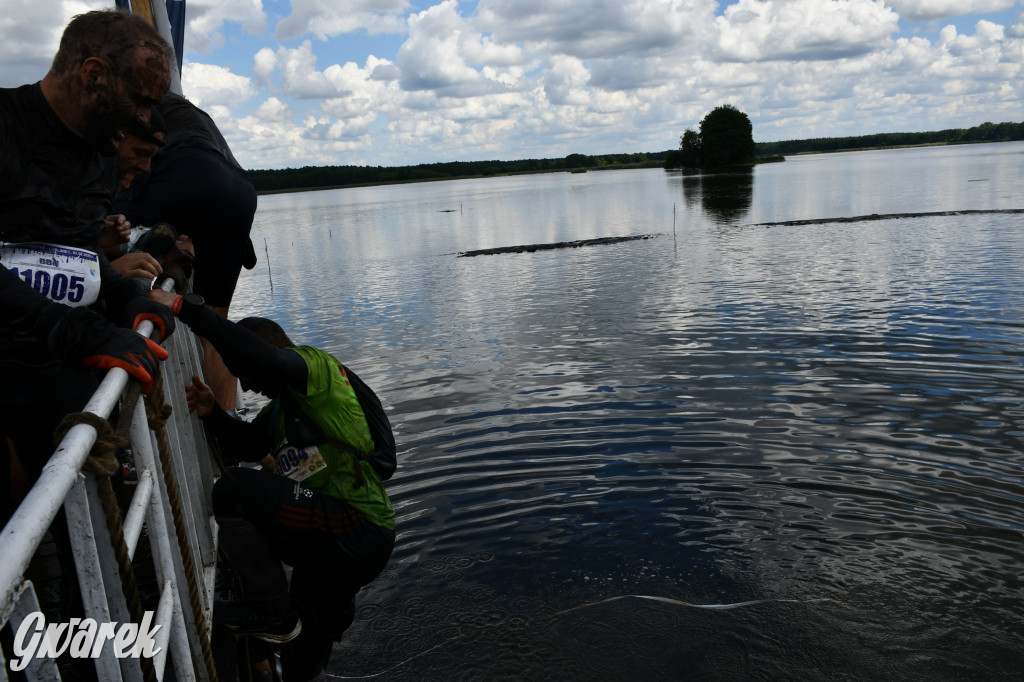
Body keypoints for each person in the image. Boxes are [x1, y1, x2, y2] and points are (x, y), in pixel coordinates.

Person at [150, 289, 395, 682]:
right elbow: (250, 444)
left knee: (232, 490)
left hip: (358, 524)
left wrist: (187, 308)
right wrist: (213, 413)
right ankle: (290, 646)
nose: (246, 385)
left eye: (244, 372)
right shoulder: (281, 410)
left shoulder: (318, 370)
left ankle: (271, 610)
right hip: (334, 535)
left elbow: (261, 359)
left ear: (264, 352)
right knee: (307, 645)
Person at [0, 9, 176, 521]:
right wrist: (80, 332)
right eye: (138, 103)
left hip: (60, 382)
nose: (145, 121)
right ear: (93, 74)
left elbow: (76, 254)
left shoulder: (101, 155)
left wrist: (131, 299)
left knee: (93, 518)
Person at [114, 91, 259, 411]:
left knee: (98, 217)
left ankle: (146, 243)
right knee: (215, 326)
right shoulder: (187, 110)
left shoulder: (124, 98)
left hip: (189, 169)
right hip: (240, 191)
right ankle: (228, 424)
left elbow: (119, 168)